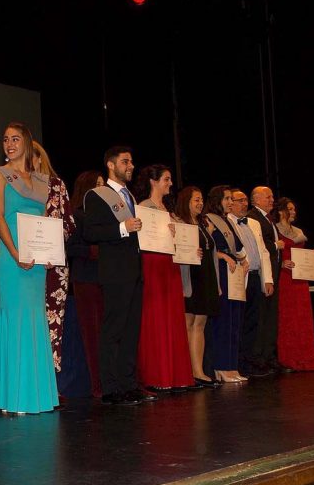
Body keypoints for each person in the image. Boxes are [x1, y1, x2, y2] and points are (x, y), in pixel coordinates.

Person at [0, 122, 59, 414]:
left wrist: (48, 251)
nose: (9, 144)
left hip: (36, 261)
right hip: (12, 259)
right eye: (5, 139)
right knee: (15, 320)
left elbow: (44, 223)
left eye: (15, 139)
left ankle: (35, 397)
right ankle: (13, 398)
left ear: (28, 143)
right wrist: (16, 254)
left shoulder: (41, 180)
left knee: (35, 321)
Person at [82, 146, 155, 406]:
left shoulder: (130, 197)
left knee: (131, 330)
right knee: (113, 330)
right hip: (114, 272)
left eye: (132, 161)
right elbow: (90, 232)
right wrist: (122, 227)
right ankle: (112, 388)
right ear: (111, 165)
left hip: (134, 270)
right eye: (125, 161)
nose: (131, 166)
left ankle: (129, 383)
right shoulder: (98, 196)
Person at [133, 165, 195, 393]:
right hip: (153, 266)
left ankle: (176, 375)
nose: (170, 183)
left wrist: (190, 251)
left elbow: (180, 243)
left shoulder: (169, 211)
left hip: (171, 266)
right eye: (166, 179)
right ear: (153, 181)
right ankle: (157, 375)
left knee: (173, 319)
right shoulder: (143, 208)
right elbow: (141, 242)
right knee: (156, 319)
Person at [32, 141, 75, 372]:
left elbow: (68, 224)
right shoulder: (16, 186)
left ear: (40, 158)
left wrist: (51, 246)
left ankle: (49, 381)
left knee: (53, 322)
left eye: (31, 156)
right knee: (29, 321)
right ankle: (29, 378)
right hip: (26, 262)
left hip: (55, 265)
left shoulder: (57, 185)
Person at [175, 186, 220, 387]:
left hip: (207, 276)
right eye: (196, 200)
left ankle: (199, 370)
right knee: (188, 323)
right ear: (186, 201)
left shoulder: (203, 224)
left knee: (200, 324)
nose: (200, 203)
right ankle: (188, 372)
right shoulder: (178, 222)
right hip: (190, 278)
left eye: (201, 200)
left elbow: (211, 253)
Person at [228, 189, 275, 377]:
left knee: (254, 323)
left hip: (256, 276)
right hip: (240, 278)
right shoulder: (228, 222)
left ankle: (250, 362)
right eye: (240, 201)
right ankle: (238, 363)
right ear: (230, 203)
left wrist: (268, 279)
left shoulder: (254, 223)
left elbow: (263, 252)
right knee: (240, 322)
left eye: (246, 200)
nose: (244, 204)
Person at [204, 185, 248, 383]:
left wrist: (243, 260)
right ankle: (221, 366)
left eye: (231, 199)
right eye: (227, 199)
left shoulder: (226, 221)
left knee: (234, 320)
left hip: (233, 271)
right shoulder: (208, 219)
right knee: (222, 321)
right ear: (217, 200)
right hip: (220, 271)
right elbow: (207, 247)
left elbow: (237, 247)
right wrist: (222, 255)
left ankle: (232, 366)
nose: (231, 202)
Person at [66, 170, 105, 397]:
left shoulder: (106, 216)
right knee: (92, 334)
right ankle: (97, 385)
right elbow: (69, 248)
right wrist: (94, 251)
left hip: (107, 279)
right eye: (96, 185)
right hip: (85, 280)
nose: (101, 189)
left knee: (108, 333)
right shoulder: (77, 214)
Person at [273, 197, 314, 371]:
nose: (293, 212)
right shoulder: (274, 230)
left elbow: (301, 254)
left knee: (302, 318)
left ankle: (305, 358)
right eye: (289, 209)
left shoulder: (298, 231)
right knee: (287, 318)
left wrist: (313, 253)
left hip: (300, 279)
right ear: (280, 211)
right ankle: (288, 359)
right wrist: (281, 263)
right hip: (285, 279)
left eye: (294, 209)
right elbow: (272, 253)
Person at [248, 186, 285, 373]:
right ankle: (259, 358)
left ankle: (270, 356)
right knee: (261, 317)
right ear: (256, 199)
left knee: (271, 317)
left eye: (272, 196)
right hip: (262, 274)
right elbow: (258, 245)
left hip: (273, 273)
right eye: (268, 197)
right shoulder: (253, 218)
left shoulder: (268, 219)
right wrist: (276, 245)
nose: (272, 199)